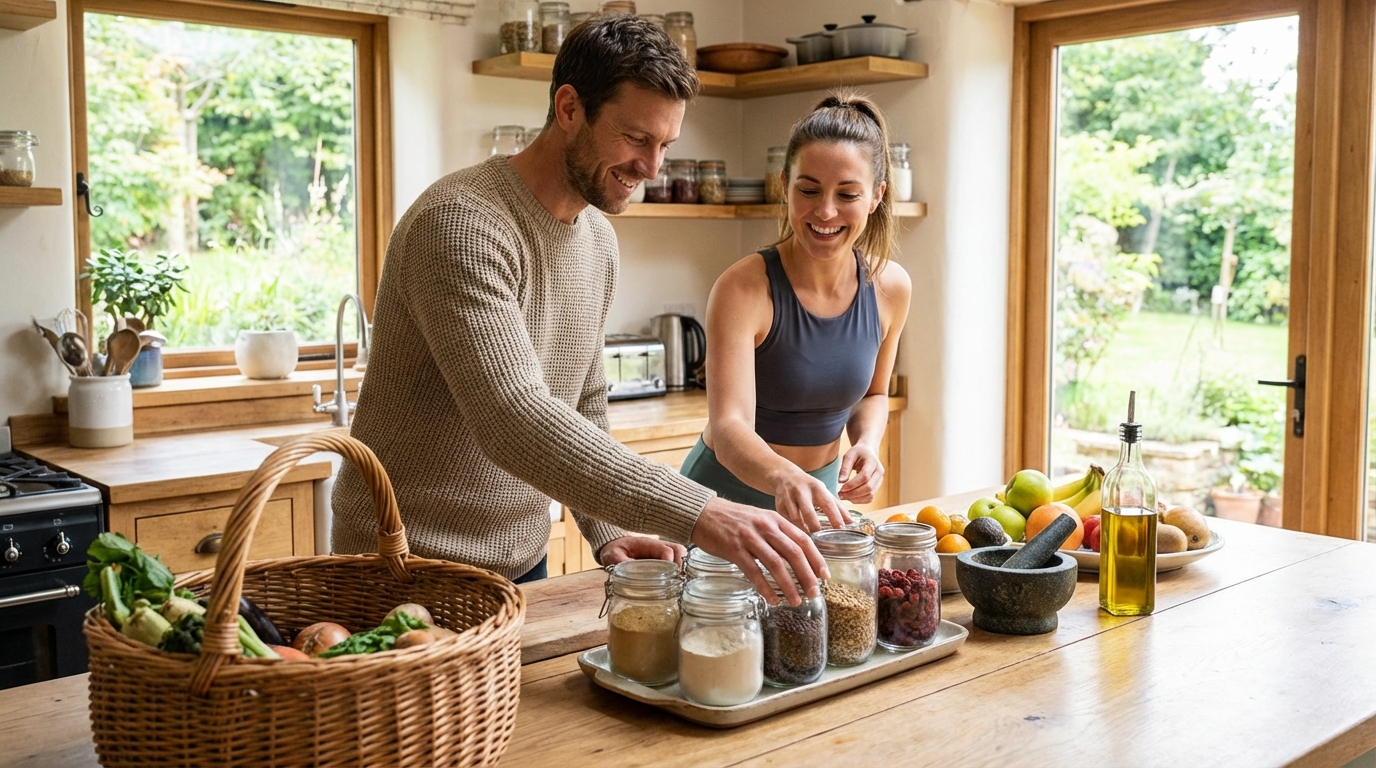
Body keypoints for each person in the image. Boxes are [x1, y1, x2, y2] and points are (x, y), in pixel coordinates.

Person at [330, 15, 826, 602]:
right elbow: (514, 418)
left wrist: (608, 528)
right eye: (636, 138)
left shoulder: (597, 240)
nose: (651, 169)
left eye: (664, 145)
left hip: (519, 561)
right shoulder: (460, 224)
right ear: (569, 108)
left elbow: (583, 398)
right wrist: (702, 512)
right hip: (402, 565)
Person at [681, 92, 912, 533]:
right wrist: (787, 477)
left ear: (876, 196)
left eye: (847, 194)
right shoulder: (743, 288)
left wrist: (867, 444)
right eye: (808, 190)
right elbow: (729, 428)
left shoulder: (891, 288)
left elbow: (874, 395)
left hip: (815, 506)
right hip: (722, 507)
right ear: (784, 185)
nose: (825, 211)